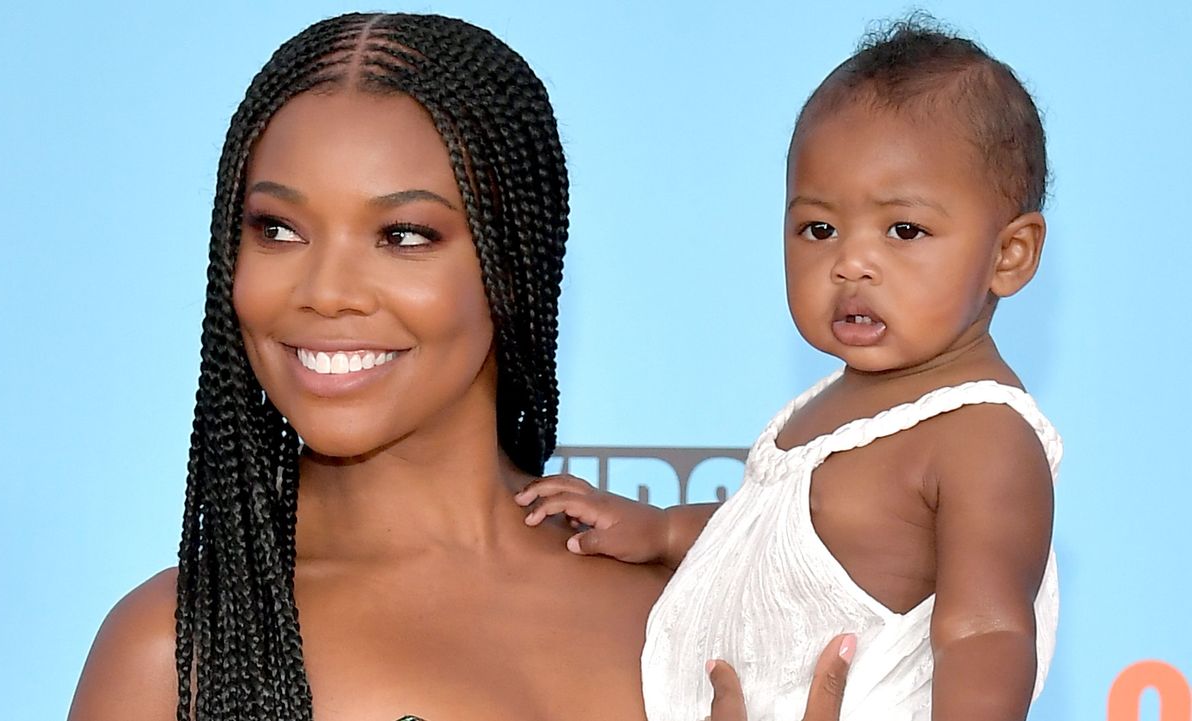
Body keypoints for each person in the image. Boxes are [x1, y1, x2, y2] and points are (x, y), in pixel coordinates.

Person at [66, 12, 851, 721]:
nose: (326, 292)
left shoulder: (696, 593)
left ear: (511, 265)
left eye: (403, 235)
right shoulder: (174, 656)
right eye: (277, 229)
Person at [519, 18, 1059, 721]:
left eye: (904, 230)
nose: (850, 262)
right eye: (819, 228)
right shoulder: (834, 402)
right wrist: (663, 531)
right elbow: (776, 542)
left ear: (1009, 255)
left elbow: (987, 631)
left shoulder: (982, 435)